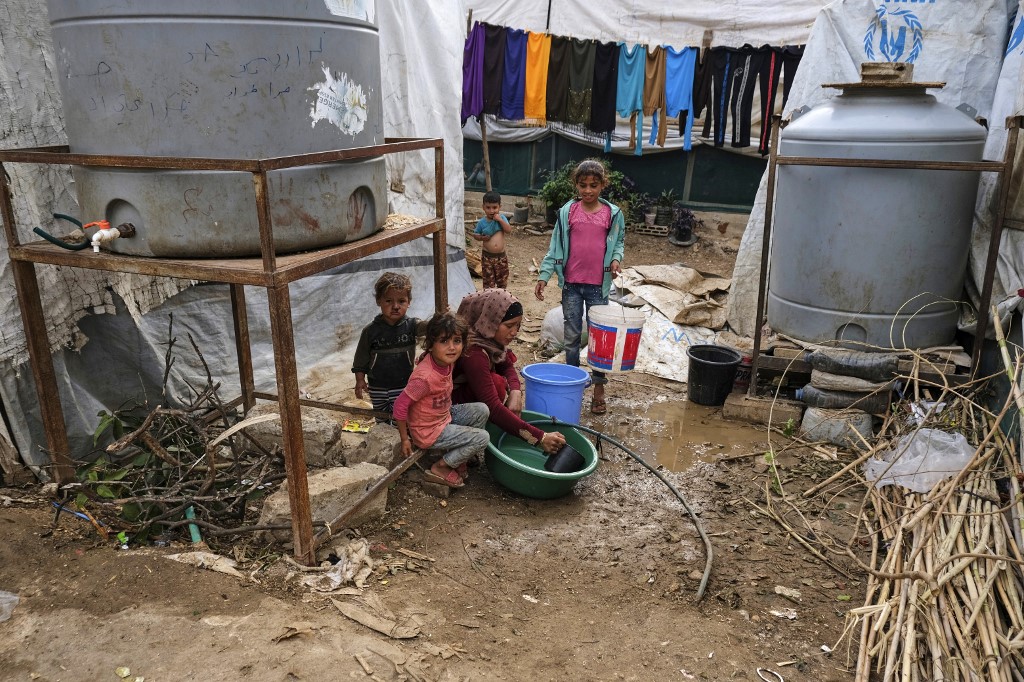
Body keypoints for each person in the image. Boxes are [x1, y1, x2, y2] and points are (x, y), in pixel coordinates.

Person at [534, 159, 626, 415]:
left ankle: (598, 389)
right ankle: (571, 386)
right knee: (572, 337)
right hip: (572, 285)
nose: (588, 190)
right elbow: (555, 247)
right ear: (575, 184)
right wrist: (544, 275)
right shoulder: (567, 212)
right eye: (583, 185)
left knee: (599, 339)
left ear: (602, 185)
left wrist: (616, 259)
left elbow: (618, 243)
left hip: (598, 286)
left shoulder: (612, 214)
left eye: (593, 185)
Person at [453, 289, 567, 454]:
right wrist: (539, 438)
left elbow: (506, 365)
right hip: (447, 409)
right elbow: (493, 407)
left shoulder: (489, 340)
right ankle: (460, 440)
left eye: (518, 325)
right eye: (509, 326)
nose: (514, 332)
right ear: (490, 321)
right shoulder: (473, 353)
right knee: (497, 384)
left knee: (501, 382)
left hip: (468, 398)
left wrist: (515, 391)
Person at [393, 311, 490, 489]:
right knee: (482, 438)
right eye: (444, 341)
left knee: (482, 409)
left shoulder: (445, 361)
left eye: (457, 341)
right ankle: (441, 466)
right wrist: (405, 439)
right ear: (431, 344)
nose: (452, 347)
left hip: (442, 417)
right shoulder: (424, 378)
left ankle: (459, 456)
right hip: (428, 431)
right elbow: (400, 405)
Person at [352, 272, 419, 415]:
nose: (395, 306)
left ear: (409, 302)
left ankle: (400, 437)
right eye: (388, 301)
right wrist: (360, 380)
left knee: (400, 416)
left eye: (401, 301)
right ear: (378, 301)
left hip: (402, 384)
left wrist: (442, 314)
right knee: (380, 416)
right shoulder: (370, 331)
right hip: (377, 386)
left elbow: (432, 328)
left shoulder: (412, 326)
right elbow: (361, 358)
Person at [472, 191, 512, 289]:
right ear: (483, 207)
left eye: (494, 207)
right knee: (488, 282)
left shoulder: (501, 218)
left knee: (502, 281)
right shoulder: (482, 222)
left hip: (501, 257)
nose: (491, 211)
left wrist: (500, 220)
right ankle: (489, 301)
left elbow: (508, 230)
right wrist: (482, 238)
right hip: (487, 257)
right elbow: (475, 235)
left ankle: (500, 301)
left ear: (500, 207)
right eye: (488, 207)